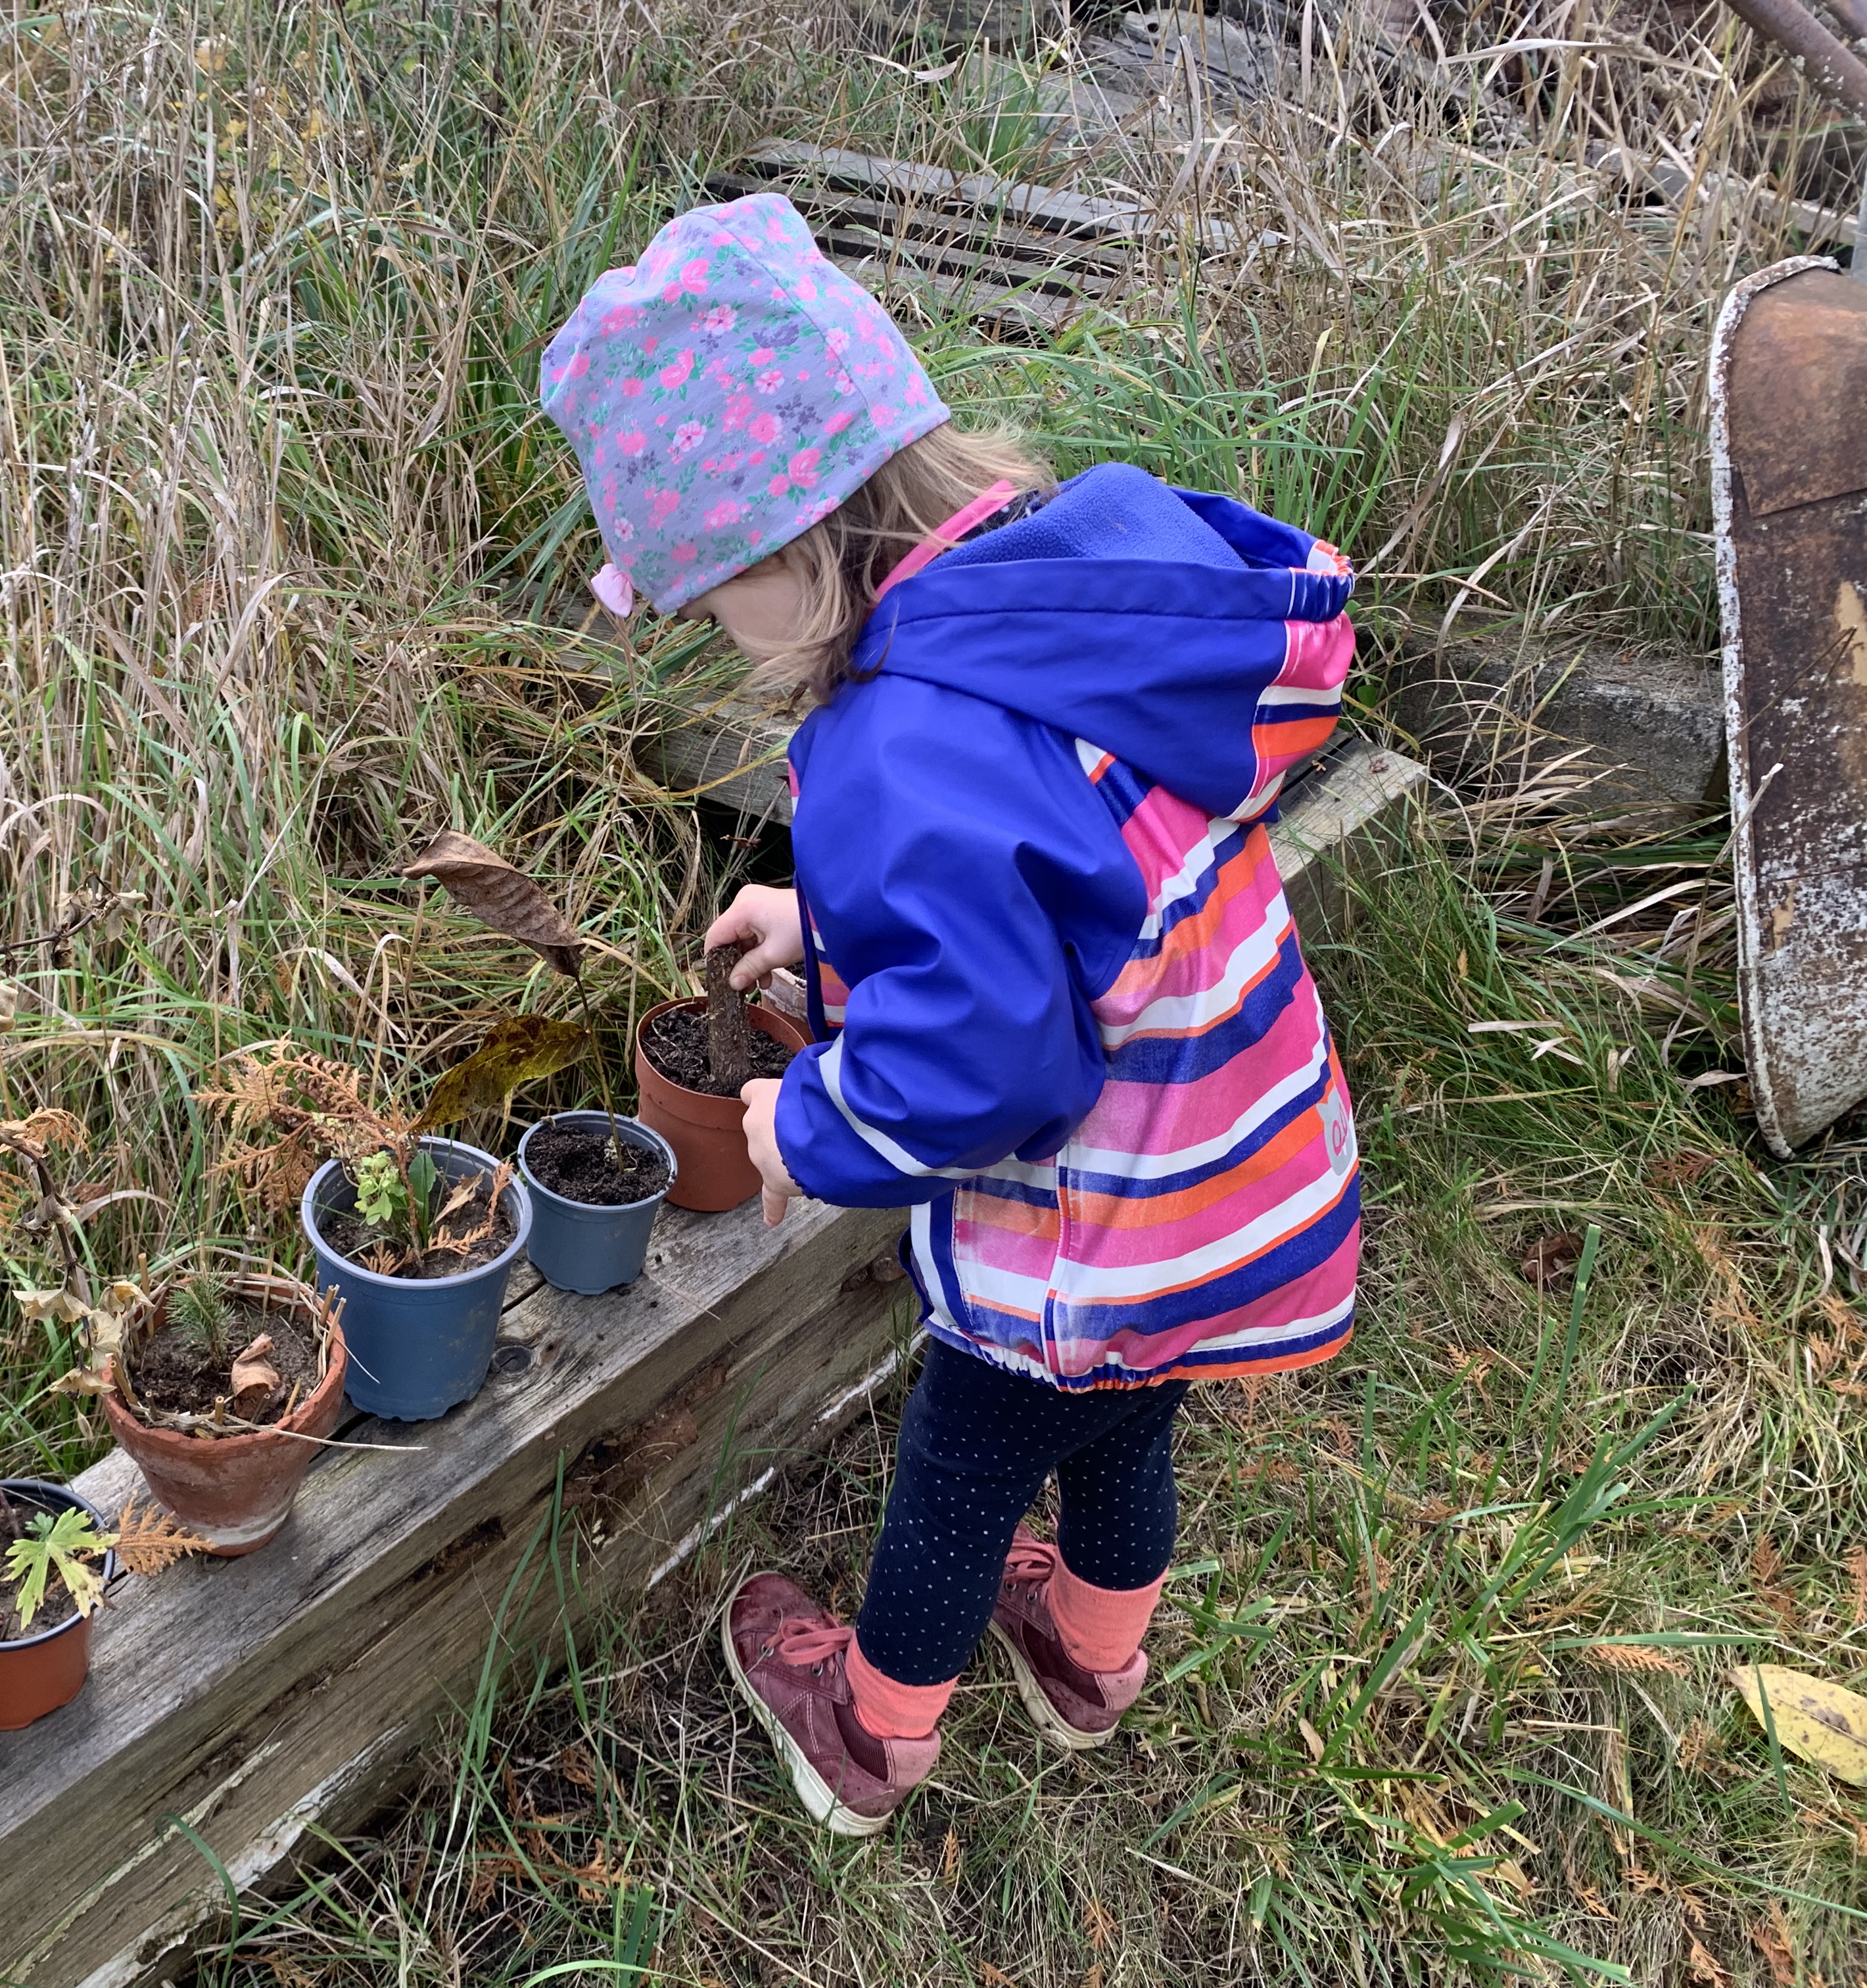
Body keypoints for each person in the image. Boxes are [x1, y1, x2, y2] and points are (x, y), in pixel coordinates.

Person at [538, 194, 1361, 1836]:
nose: (718, 647)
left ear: (779, 562)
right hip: (1233, 1163)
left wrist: (809, 1123)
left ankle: (871, 1731)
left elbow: (984, 1058)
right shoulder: (1064, 591)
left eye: (705, 607)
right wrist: (827, 928)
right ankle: (1092, 1657)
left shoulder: (898, 747)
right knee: (1129, 1427)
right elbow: (1041, 895)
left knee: (966, 1460)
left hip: (1095, 1224)